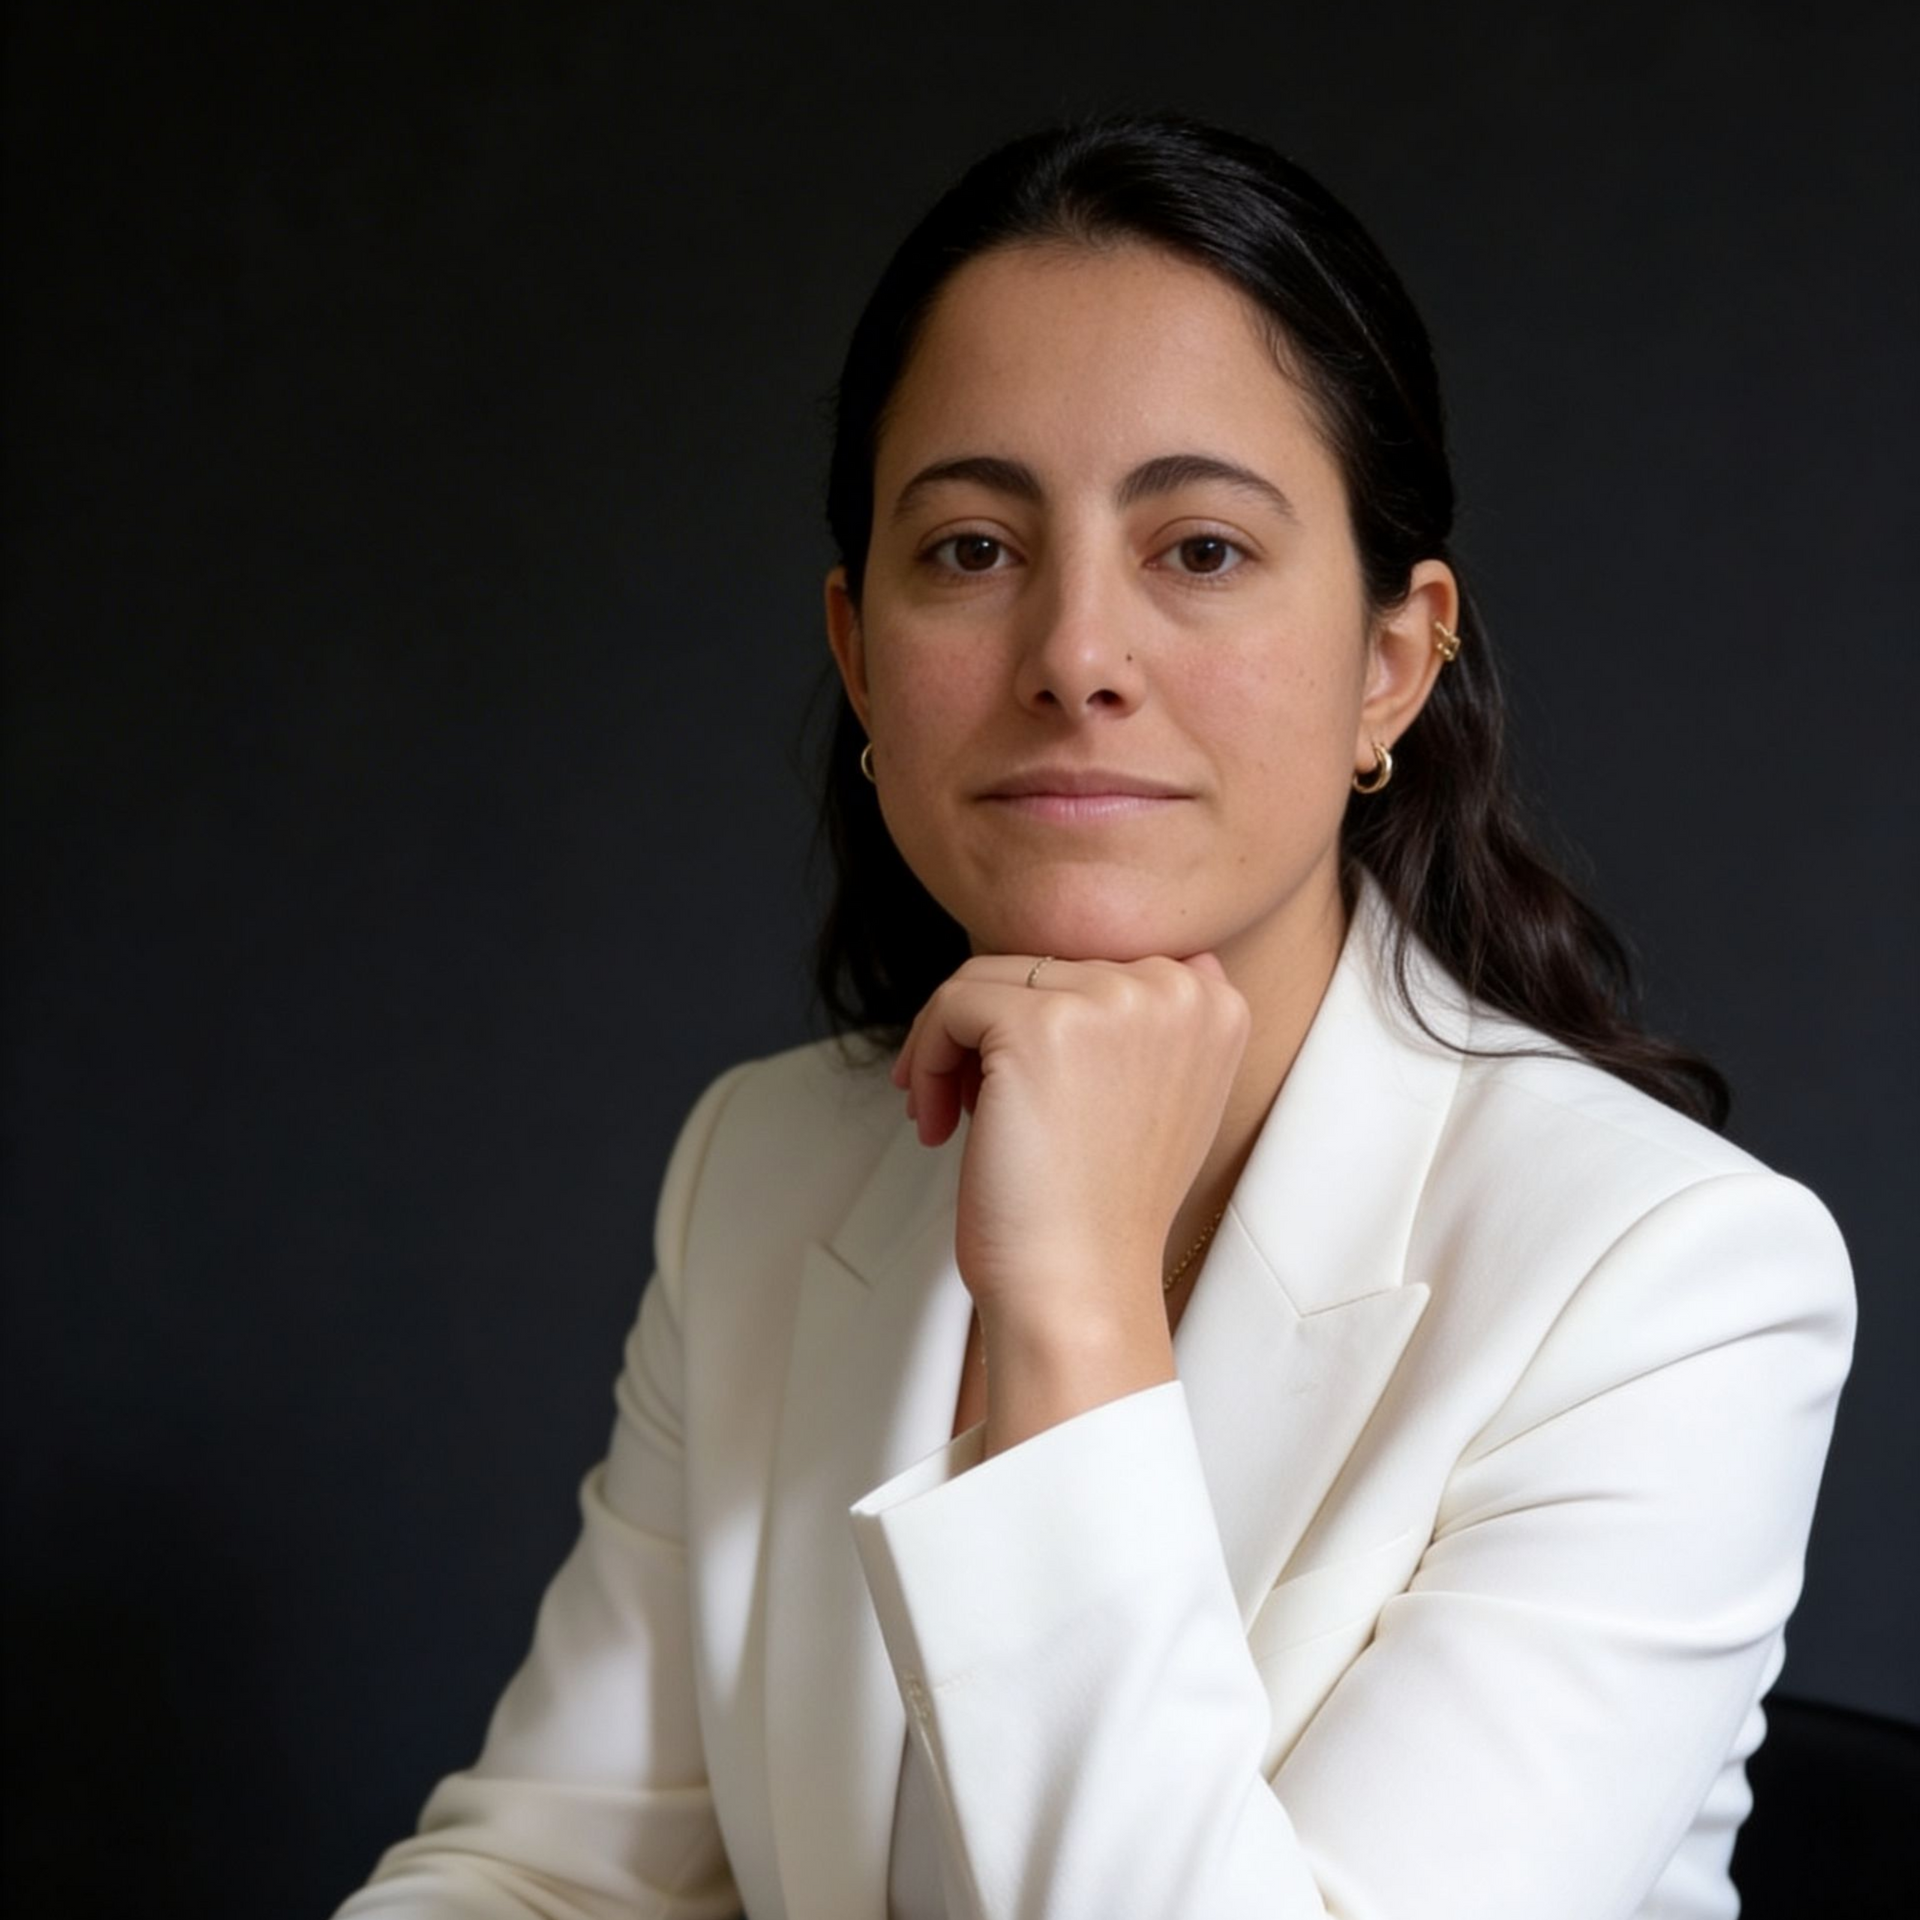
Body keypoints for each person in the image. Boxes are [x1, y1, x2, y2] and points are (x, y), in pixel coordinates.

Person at [334, 115, 1853, 1919]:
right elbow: (540, 1876)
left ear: (1392, 661)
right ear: (858, 654)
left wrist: (1069, 1306)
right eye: (972, 550)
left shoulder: (1674, 1284)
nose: (1074, 651)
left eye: (1200, 549)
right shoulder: (759, 1171)